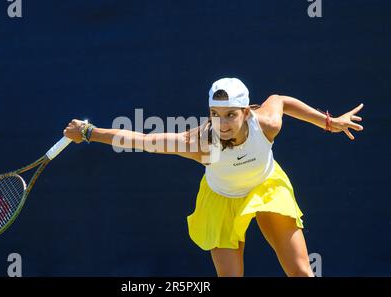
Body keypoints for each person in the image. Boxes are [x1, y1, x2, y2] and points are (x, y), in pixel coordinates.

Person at [63, 77, 364, 277]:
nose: (222, 123)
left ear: (246, 112)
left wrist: (328, 122)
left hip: (266, 187)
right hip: (221, 200)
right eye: (215, 114)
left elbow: (280, 99)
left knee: (301, 272)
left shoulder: (268, 123)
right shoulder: (199, 144)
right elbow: (139, 139)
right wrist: (89, 132)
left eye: (230, 115)